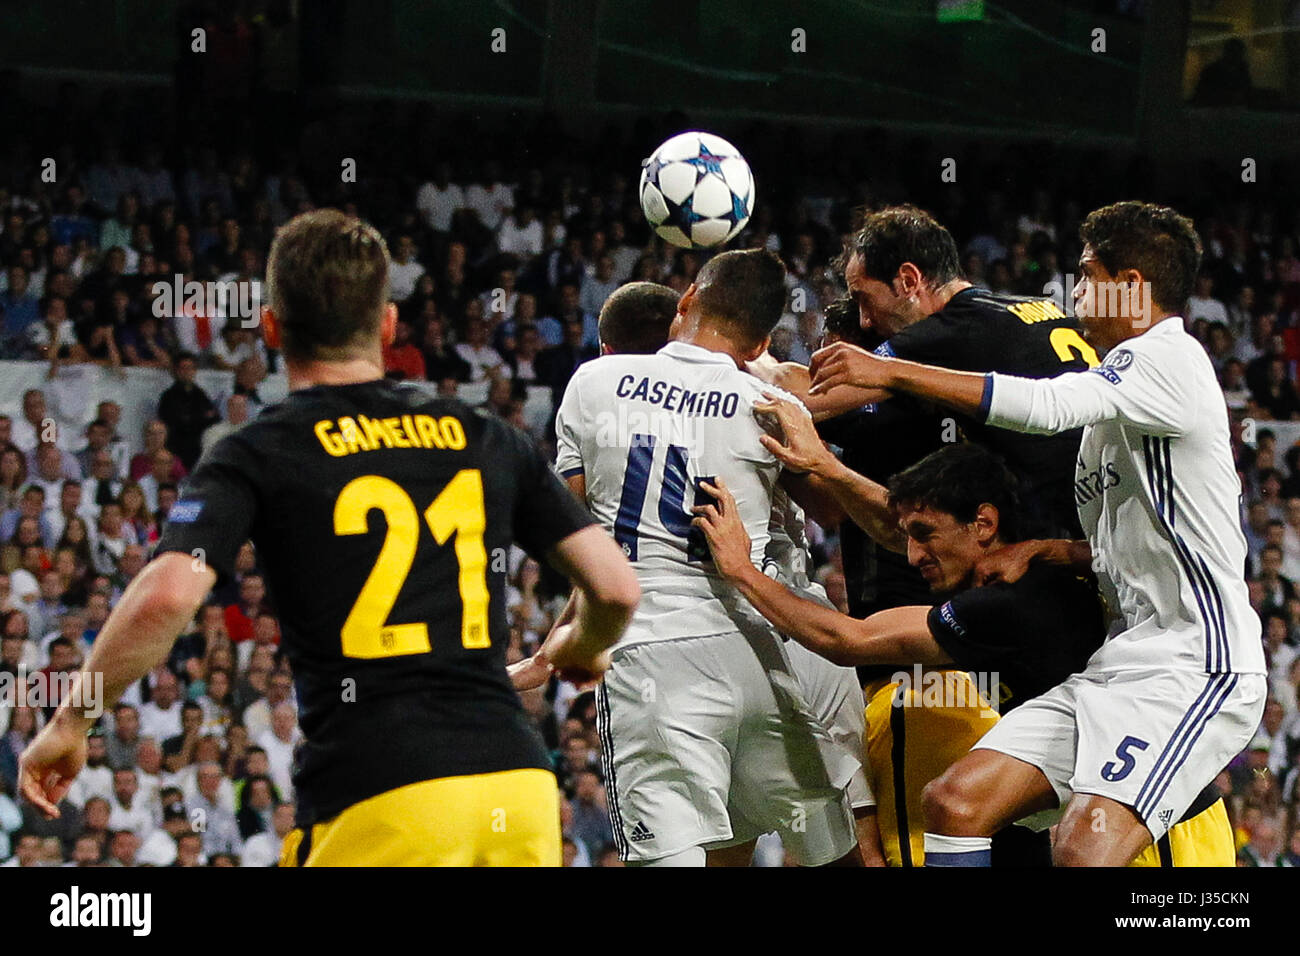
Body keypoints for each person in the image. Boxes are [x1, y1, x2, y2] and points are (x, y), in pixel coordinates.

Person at [19, 209, 640, 867]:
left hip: (380, 794)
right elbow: (615, 586)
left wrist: (69, 723)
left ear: (270, 329)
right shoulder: (485, 435)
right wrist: (584, 645)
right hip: (517, 793)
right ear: (389, 325)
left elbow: (164, 597)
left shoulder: (258, 450)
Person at [806, 200, 1267, 866]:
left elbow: (1046, 407)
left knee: (1084, 849)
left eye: (1087, 273)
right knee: (957, 803)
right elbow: (1132, 540)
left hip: (1197, 665)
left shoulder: (1170, 359)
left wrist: (893, 370)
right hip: (1120, 662)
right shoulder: (1118, 403)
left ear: (1131, 286)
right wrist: (1051, 548)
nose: (1074, 291)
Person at [551, 250, 861, 867]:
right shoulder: (770, 405)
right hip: (758, 652)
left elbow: (571, 530)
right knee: (836, 856)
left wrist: (567, 632)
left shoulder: (592, 382)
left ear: (687, 298)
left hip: (652, 661)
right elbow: (833, 511)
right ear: (762, 341)